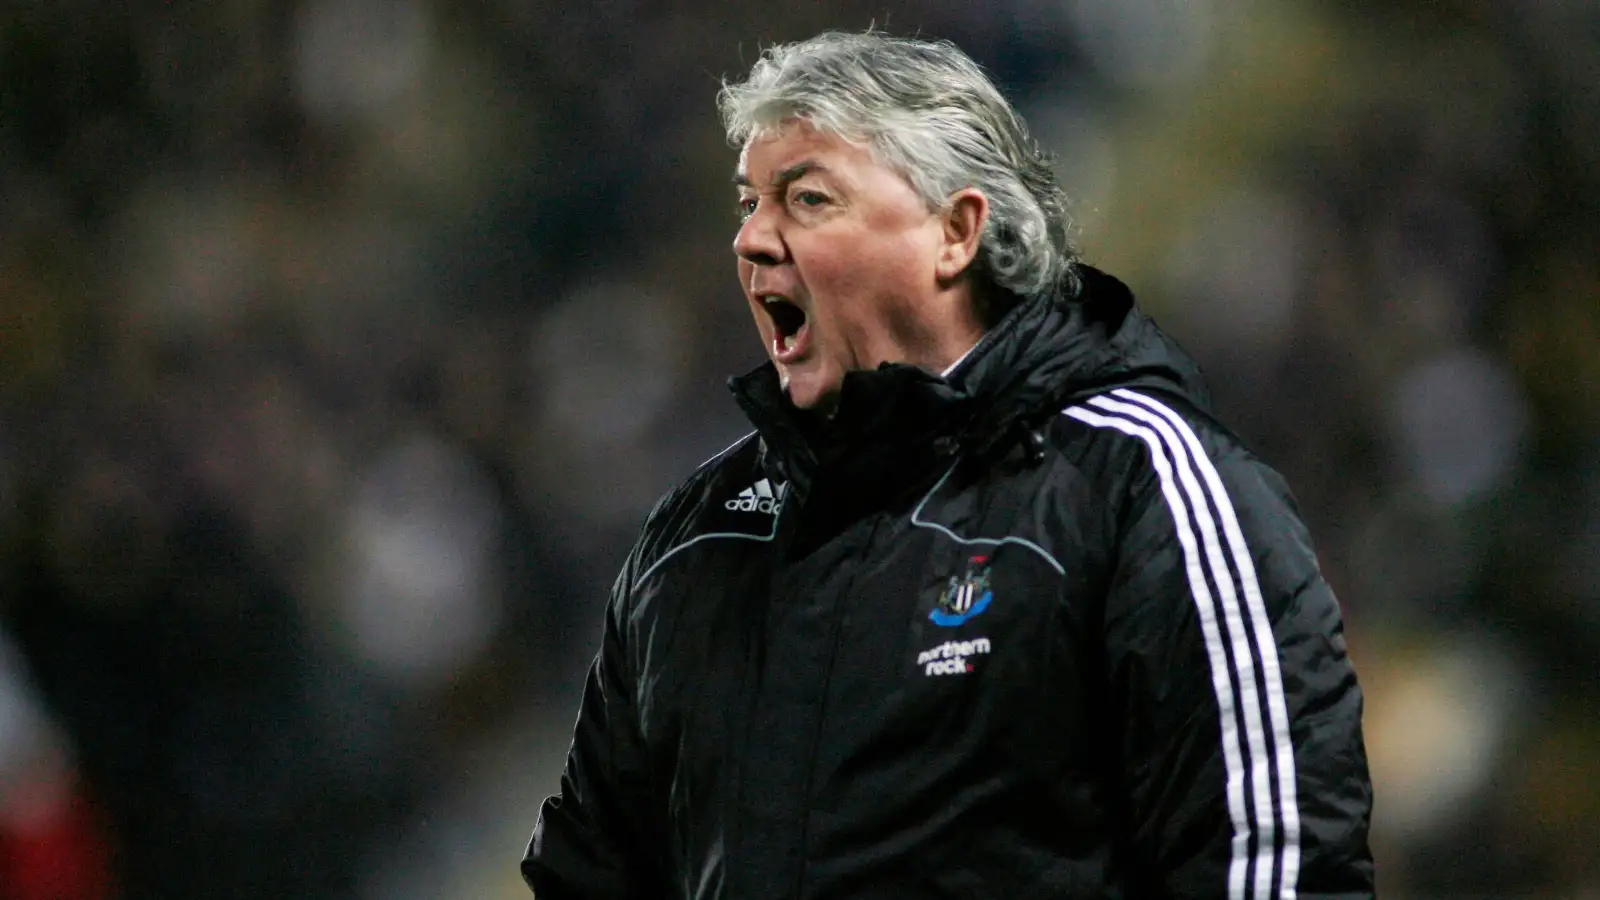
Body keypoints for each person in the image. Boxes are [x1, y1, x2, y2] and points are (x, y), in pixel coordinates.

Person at [522, 29, 1374, 900]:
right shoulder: (692, 541)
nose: (752, 241)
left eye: (806, 199)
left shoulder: (1138, 485)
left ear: (957, 232)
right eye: (748, 205)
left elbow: (1275, 859)